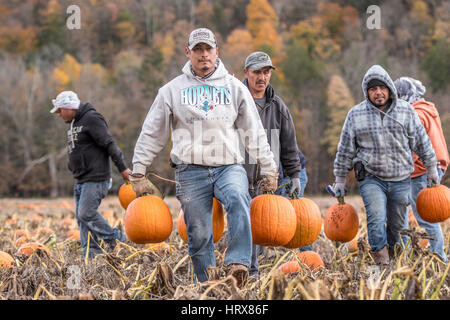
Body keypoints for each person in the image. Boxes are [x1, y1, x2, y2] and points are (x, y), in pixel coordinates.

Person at [129, 28, 278, 286]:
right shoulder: (171, 91)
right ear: (188, 53)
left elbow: (253, 132)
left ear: (216, 52)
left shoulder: (234, 88)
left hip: (228, 166)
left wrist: (269, 168)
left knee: (239, 199)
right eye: (197, 50)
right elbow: (152, 132)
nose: (203, 55)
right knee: (197, 232)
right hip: (190, 170)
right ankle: (205, 284)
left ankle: (238, 264)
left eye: (208, 49)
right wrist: (139, 170)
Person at [332, 65, 438, 266]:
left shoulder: (406, 111)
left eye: (382, 87)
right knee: (376, 220)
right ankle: (381, 264)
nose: (378, 92)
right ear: (367, 92)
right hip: (372, 178)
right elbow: (345, 148)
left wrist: (431, 166)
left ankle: (397, 264)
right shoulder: (356, 114)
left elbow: (422, 141)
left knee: (398, 226)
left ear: (389, 88)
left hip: (400, 179)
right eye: (373, 89)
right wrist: (339, 178)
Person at [241, 51, 304, 275]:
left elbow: (289, 144)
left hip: (265, 178)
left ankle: (251, 271)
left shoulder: (278, 106)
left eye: (266, 72)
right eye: (257, 72)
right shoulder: (234, 100)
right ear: (246, 72)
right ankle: (241, 269)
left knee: (258, 225)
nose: (262, 77)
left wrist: (294, 175)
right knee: (241, 225)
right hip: (238, 173)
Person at [50, 90, 130, 258]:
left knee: (86, 213)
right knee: (82, 219)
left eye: (59, 110)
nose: (58, 114)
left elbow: (109, 144)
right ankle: (91, 253)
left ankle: (118, 238)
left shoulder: (92, 119)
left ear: (69, 107)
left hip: (96, 177)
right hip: (81, 179)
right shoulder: (73, 123)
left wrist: (122, 168)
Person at [394, 76, 449, 263]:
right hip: (432, 167)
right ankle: (423, 255)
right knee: (410, 213)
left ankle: (438, 258)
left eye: (398, 96)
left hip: (422, 171)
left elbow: (416, 148)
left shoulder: (416, 114)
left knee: (425, 217)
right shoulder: (428, 110)